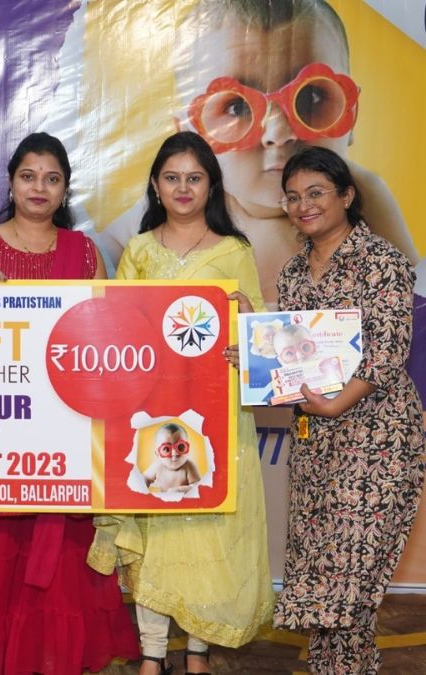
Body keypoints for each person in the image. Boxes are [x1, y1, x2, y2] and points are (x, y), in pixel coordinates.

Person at [0, 132, 136, 675]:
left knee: (62, 563)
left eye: (52, 178)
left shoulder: (83, 252)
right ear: (11, 183)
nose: (39, 188)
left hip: (64, 434)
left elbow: (102, 340)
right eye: (28, 176)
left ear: (65, 188)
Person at [89, 132, 273, 675]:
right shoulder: (140, 250)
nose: (183, 188)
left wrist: (245, 333)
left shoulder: (234, 250)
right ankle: (152, 654)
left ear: (211, 185)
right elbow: (120, 331)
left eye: (195, 178)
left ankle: (196, 652)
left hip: (215, 418)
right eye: (172, 178)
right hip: (152, 417)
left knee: (206, 530)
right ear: (155, 185)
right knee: (158, 532)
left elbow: (256, 334)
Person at [98, 0, 417, 303]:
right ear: (193, 135)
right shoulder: (190, 201)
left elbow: (411, 292)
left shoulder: (357, 193)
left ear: (351, 114)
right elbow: (106, 247)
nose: (278, 134)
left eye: (311, 98)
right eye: (237, 107)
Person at [269, 146, 424, 672]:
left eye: (316, 193)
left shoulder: (383, 262)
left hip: (377, 440)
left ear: (347, 195)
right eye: (293, 197)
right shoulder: (292, 273)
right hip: (316, 440)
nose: (303, 205)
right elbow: (291, 355)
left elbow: (387, 353)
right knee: (323, 572)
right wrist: (252, 355)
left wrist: (337, 405)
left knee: (351, 574)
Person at [141, 424, 201, 492]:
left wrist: (179, 490)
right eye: (166, 449)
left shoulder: (189, 466)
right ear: (158, 454)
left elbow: (197, 487)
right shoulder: (157, 466)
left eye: (180, 447)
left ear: (187, 449)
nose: (174, 454)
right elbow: (145, 479)